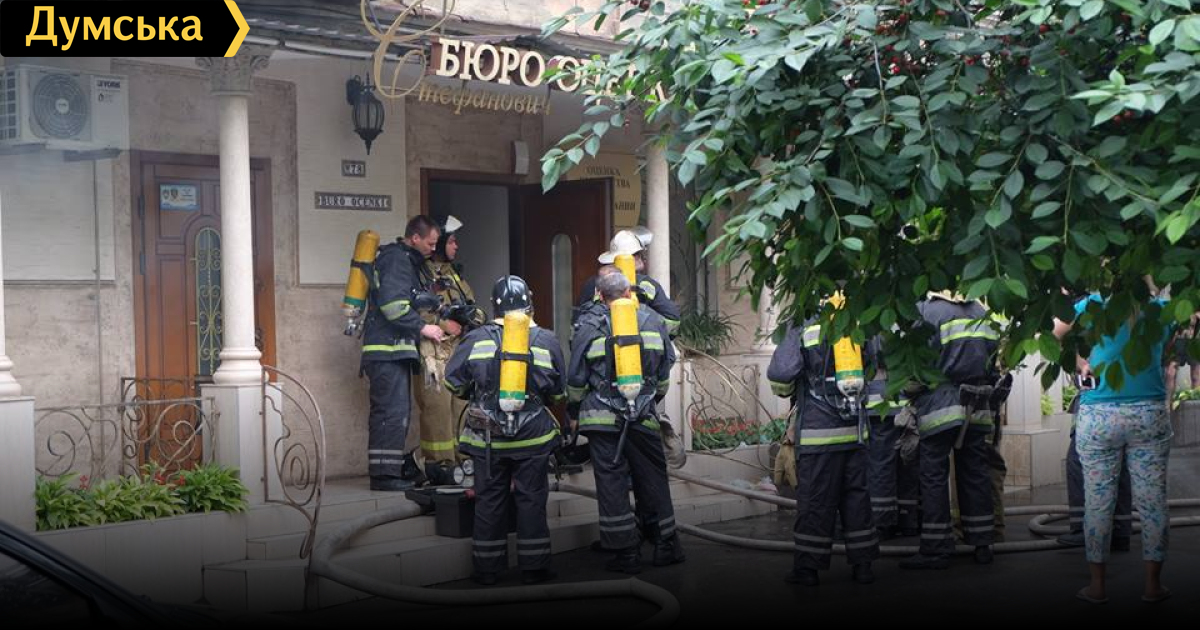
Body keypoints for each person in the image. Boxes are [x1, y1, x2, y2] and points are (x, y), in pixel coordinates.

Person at [1053, 289, 1176, 604]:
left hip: (1100, 414)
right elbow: (1166, 352)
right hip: (1148, 413)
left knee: (1097, 503)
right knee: (1153, 504)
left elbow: (1053, 333)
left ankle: (1097, 587)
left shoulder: (1091, 304)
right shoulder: (1163, 309)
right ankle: (1153, 585)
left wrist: (1080, 361)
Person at [443, 275, 565, 586]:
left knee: (488, 500)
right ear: (529, 304)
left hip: (487, 439)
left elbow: (453, 383)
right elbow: (559, 393)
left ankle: (487, 570)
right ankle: (534, 568)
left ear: (493, 305)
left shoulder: (476, 339)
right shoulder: (547, 340)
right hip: (533, 437)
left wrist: (480, 395)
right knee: (531, 500)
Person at [568, 272, 684, 574]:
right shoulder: (652, 321)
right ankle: (665, 544)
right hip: (643, 415)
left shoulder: (589, 325)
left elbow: (576, 380)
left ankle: (626, 552)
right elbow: (664, 371)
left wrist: (574, 410)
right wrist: (649, 400)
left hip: (602, 419)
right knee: (653, 478)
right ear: (629, 292)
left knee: (612, 484)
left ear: (600, 296)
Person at [768, 304, 879, 586]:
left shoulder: (803, 321)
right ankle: (863, 566)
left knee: (816, 500)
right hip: (855, 431)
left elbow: (781, 373)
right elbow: (872, 362)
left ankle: (808, 569)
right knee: (857, 498)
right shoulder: (857, 315)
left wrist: (795, 388)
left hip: (819, 434)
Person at [899, 291, 999, 569]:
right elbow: (993, 361)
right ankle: (982, 542)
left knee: (933, 475)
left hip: (940, 404)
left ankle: (936, 547)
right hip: (976, 404)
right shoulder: (980, 311)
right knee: (975, 473)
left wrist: (907, 392)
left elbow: (916, 365)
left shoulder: (927, 312)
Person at [360, 215, 446, 491]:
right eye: (430, 243)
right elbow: (393, 306)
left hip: (393, 352)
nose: (434, 248)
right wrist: (424, 328)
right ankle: (384, 477)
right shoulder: (397, 259)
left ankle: (389, 471)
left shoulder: (407, 261)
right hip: (386, 351)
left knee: (396, 412)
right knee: (390, 413)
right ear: (415, 238)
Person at [412, 215, 481, 485]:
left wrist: (473, 318)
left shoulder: (454, 273)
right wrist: (443, 324)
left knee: (461, 405)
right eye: (451, 241)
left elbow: (470, 304)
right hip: (432, 351)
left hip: (457, 351)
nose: (456, 246)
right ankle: (439, 463)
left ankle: (463, 459)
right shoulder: (420, 272)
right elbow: (415, 311)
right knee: (437, 408)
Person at [1058, 373, 1133, 551]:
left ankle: (1082, 529)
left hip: (1096, 409)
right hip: (1123, 407)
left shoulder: (1095, 357)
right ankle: (1120, 531)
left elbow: (1087, 373)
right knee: (1119, 466)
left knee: (1077, 463)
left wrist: (1076, 360)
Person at [863, 336, 920, 540]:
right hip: (907, 403)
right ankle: (909, 520)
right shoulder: (908, 321)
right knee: (907, 463)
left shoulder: (870, 324)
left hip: (879, 405)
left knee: (881, 465)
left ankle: (883, 522)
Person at [574, 229, 681, 335]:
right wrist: (646, 319)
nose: (641, 258)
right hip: (642, 343)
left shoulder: (593, 283)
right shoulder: (647, 284)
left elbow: (577, 325)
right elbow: (673, 322)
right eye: (638, 254)